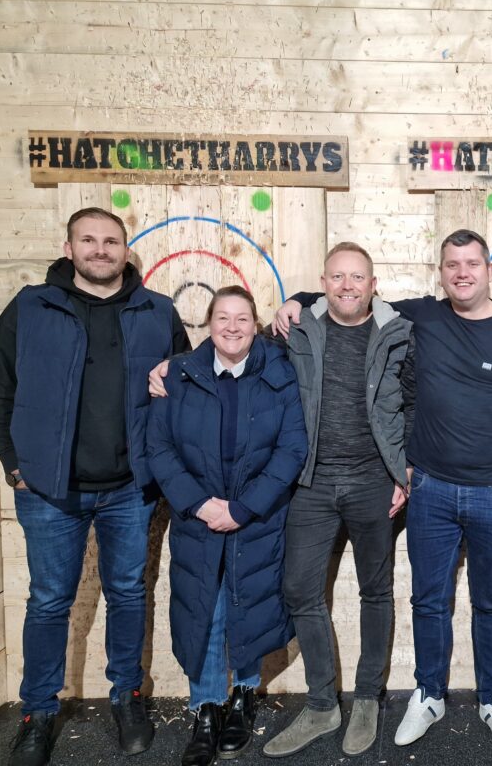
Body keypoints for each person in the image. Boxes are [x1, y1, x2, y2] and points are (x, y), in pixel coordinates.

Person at [274, 229, 492, 756]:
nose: (462, 272)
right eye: (452, 264)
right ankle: (429, 692)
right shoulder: (423, 316)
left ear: (489, 270)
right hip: (430, 489)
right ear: (440, 272)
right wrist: (297, 300)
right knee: (428, 601)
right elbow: (350, 294)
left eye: (472, 263)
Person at [0, 207, 191, 766]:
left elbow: (189, 397)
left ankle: (127, 695)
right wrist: (16, 467)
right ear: (69, 247)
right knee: (49, 601)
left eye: (111, 241)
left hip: (130, 489)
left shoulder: (157, 312)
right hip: (50, 491)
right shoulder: (31, 307)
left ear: (126, 250)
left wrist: (164, 468)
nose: (101, 250)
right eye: (89, 240)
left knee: (127, 593)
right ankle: (39, 711)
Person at [259, 243, 415, 758]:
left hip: (374, 482)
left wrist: (404, 469)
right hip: (310, 485)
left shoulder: (399, 333)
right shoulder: (297, 328)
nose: (348, 286)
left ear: (373, 284)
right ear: (324, 282)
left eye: (358, 278)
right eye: (338, 278)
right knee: (301, 590)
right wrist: (175, 368)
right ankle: (323, 703)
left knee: (376, 591)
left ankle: (368, 697)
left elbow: (414, 403)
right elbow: (237, 351)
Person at [147, 286, 308, 766]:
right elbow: (159, 448)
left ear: (255, 323)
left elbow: (291, 450)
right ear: (208, 323)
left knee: (248, 601)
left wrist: (243, 508)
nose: (232, 327)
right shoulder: (178, 375)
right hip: (198, 516)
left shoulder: (280, 373)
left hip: (255, 516)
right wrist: (199, 504)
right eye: (222, 317)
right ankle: (205, 707)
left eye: (242, 318)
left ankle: (242, 697)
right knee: (205, 608)